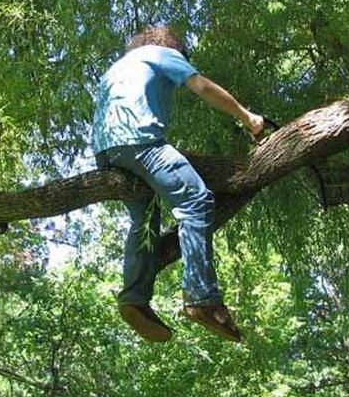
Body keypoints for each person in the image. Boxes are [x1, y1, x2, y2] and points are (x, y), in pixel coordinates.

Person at [92, 26, 263, 343]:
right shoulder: (163, 53)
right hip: (141, 142)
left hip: (106, 152)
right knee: (196, 201)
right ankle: (201, 297)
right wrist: (247, 117)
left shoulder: (117, 68)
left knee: (144, 220)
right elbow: (203, 87)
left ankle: (134, 299)